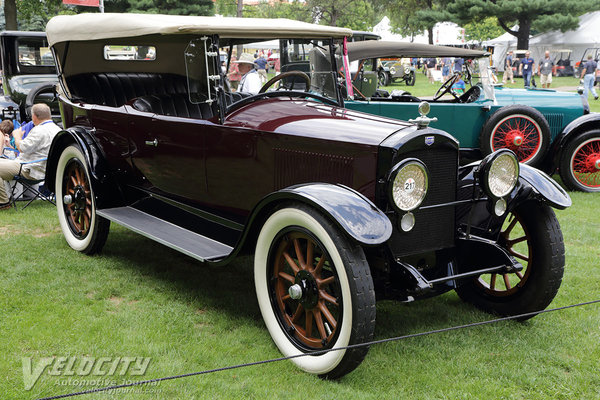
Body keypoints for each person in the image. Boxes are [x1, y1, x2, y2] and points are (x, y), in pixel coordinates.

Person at [0, 104, 60, 210]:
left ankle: (3, 203)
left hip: (30, 169)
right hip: (46, 170)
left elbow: (22, 148)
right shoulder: (57, 129)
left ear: (34, 117)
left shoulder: (39, 130)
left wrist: (17, 135)